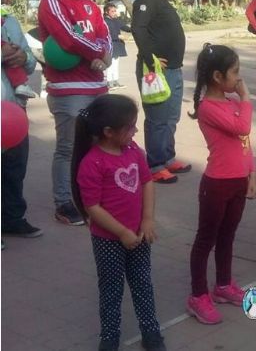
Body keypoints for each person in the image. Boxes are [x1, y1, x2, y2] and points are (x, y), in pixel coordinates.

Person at [71, 94, 165, 351]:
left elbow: (147, 182)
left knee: (143, 284)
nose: (135, 131)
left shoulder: (134, 151)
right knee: (111, 290)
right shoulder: (92, 163)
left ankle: (151, 332)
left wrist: (147, 220)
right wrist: (122, 232)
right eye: (130, 127)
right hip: (109, 240)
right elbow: (93, 207)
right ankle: (109, 337)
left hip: (139, 235)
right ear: (108, 132)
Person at [38, 0, 112, 226]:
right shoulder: (52, 1)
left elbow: (105, 34)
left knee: (96, 145)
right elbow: (67, 38)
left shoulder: (91, 6)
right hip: (68, 88)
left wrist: (104, 53)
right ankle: (64, 202)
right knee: (68, 148)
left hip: (97, 87)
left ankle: (91, 198)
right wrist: (96, 53)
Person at [185, 45, 256, 325]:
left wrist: (252, 174)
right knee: (206, 239)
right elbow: (243, 128)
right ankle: (198, 295)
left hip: (238, 182)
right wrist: (247, 98)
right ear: (217, 76)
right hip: (216, 185)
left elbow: (245, 142)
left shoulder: (231, 102)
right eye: (235, 72)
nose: (239, 79)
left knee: (228, 236)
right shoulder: (208, 107)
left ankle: (223, 285)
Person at [132, 0, 191, 184]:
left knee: (171, 117)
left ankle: (167, 158)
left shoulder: (162, 1)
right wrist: (150, 58)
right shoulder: (146, 1)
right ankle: (155, 165)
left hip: (174, 69)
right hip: (155, 72)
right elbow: (138, 29)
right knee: (157, 119)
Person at [1, 0, 42, 240]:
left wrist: (21, 57)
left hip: (14, 111)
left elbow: (30, 61)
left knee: (15, 167)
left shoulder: (11, 22)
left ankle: (13, 218)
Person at [103, 2, 132, 90]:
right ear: (107, 12)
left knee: (116, 64)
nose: (115, 13)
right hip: (110, 46)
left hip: (118, 45)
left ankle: (115, 81)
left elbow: (124, 27)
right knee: (110, 64)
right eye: (112, 11)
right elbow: (105, 34)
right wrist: (117, 36)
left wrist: (134, 29)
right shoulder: (104, 21)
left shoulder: (116, 20)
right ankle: (109, 83)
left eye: (115, 11)